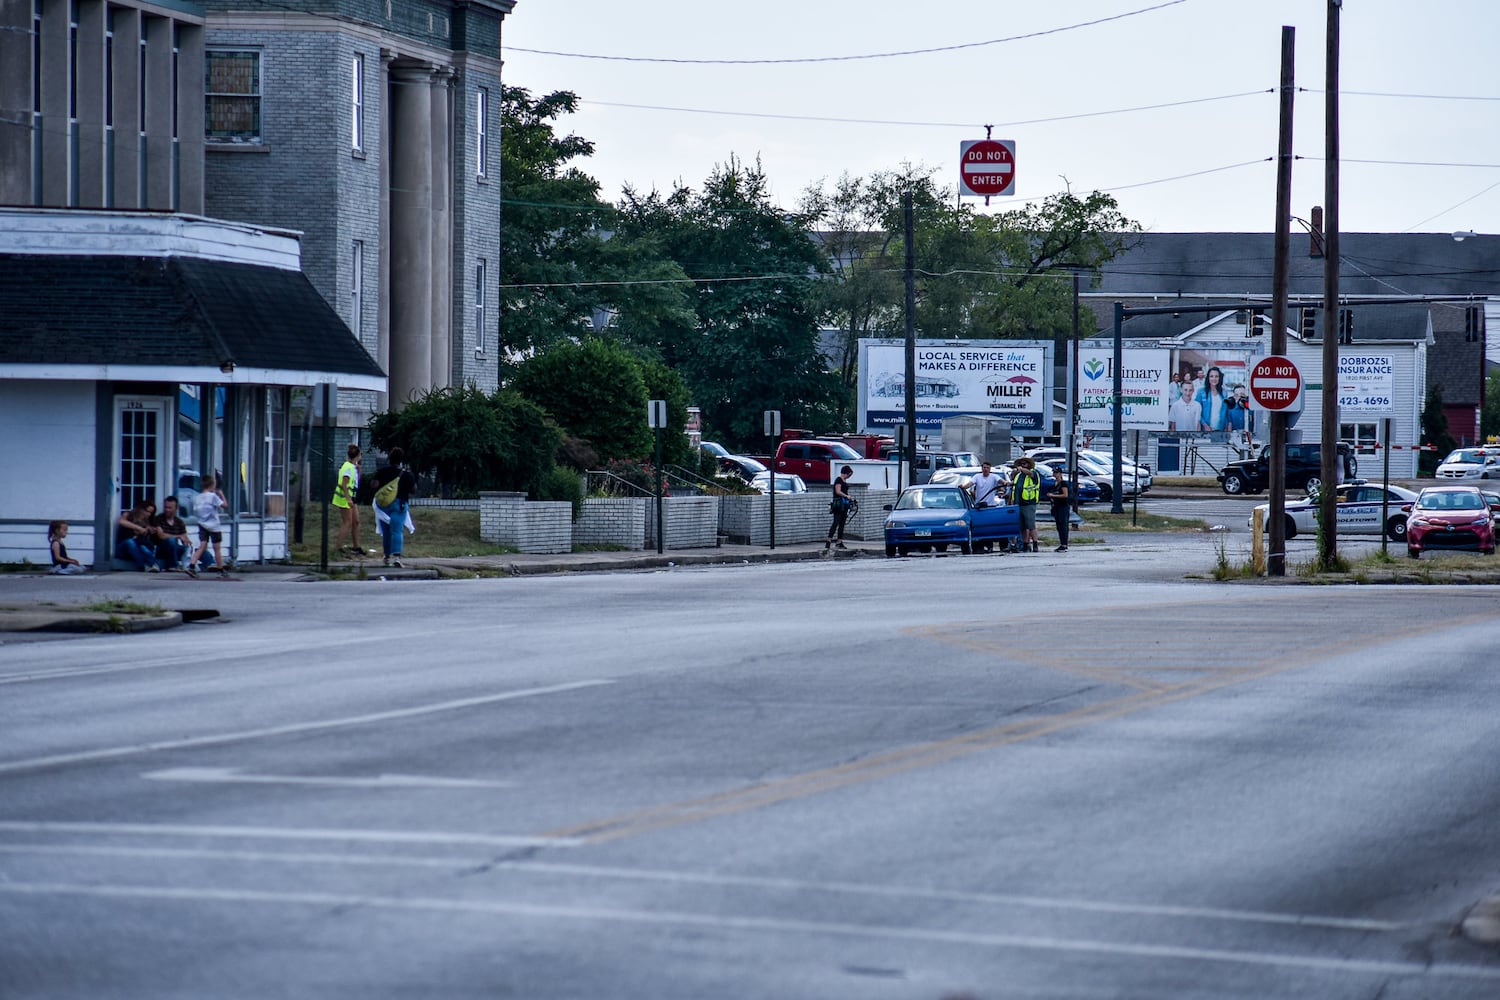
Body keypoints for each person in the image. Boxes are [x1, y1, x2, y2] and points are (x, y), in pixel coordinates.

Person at [371, 447, 417, 568]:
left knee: (386, 531)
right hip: (399, 504)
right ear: (401, 460)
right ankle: (397, 557)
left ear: (389, 459)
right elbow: (413, 490)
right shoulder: (406, 474)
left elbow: (374, 485)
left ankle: (386, 556)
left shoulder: (382, 471)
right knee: (397, 531)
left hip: (383, 505)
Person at [332, 442, 369, 556]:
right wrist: (348, 499)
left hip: (352, 497)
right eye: (360, 454)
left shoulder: (353, 467)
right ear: (358, 456)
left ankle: (356, 547)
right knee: (347, 522)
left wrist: (358, 470)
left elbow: (355, 482)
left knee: (356, 522)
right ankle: (338, 547)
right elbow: (344, 483)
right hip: (344, 498)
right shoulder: (347, 467)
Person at [189, 473, 230, 577]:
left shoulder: (198, 497)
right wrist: (221, 494)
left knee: (202, 545)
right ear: (212, 485)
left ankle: (192, 565)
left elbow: (196, 510)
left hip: (202, 524)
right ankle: (220, 569)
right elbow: (225, 505)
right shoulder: (213, 497)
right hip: (214, 525)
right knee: (217, 548)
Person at [151, 495, 194, 574]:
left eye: (170, 508)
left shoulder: (179, 522)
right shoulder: (158, 519)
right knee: (171, 540)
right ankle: (173, 566)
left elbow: (185, 538)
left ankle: (211, 564)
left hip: (175, 549)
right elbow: (161, 535)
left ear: (176, 508)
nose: (167, 510)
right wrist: (178, 536)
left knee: (196, 549)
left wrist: (187, 543)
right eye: (166, 507)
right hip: (162, 548)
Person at [115, 500, 162, 571]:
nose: (148, 514)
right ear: (141, 509)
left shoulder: (146, 522)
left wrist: (147, 531)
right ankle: (144, 565)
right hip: (122, 548)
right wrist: (138, 528)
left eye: (150, 513)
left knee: (144, 547)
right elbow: (121, 521)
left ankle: (152, 564)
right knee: (130, 542)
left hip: (136, 549)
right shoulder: (128, 515)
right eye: (147, 511)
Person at [1010, 457, 1043, 553]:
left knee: (1031, 525)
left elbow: (1030, 473)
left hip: (1029, 503)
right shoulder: (1018, 476)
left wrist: (1022, 469)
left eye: (1024, 464)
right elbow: (1014, 488)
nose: (1022, 465)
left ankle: (1035, 544)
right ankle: (1025, 544)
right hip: (1018, 503)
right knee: (1023, 527)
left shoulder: (1033, 473)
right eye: (1021, 464)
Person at [825, 465, 854, 551]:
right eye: (848, 474)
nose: (849, 476)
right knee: (836, 522)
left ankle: (839, 541)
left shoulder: (844, 481)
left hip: (844, 505)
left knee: (842, 523)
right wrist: (846, 496)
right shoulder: (838, 480)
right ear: (845, 473)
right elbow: (838, 491)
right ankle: (828, 541)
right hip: (839, 504)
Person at [1196, 365, 1228, 432]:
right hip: (1206, 429)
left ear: (1219, 378)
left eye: (1216, 376)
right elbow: (1197, 411)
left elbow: (1226, 412)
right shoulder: (1201, 392)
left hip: (1220, 429)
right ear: (1208, 378)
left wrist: (1226, 426)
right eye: (1211, 376)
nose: (1214, 379)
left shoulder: (1224, 393)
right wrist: (1205, 425)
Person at [1047, 471, 1071, 552]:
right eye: (1054, 473)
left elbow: (1065, 495)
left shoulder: (1063, 484)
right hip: (1056, 506)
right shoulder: (1054, 484)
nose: (1055, 474)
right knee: (1059, 525)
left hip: (1063, 506)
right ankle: (1062, 543)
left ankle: (1064, 544)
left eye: (1056, 473)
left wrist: (1053, 495)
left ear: (1060, 474)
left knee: (1063, 525)